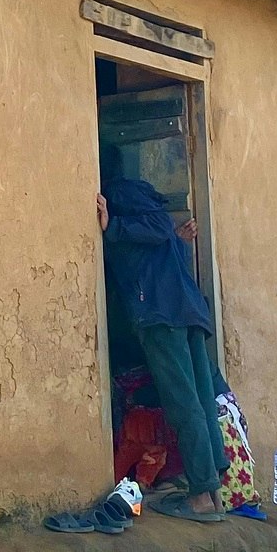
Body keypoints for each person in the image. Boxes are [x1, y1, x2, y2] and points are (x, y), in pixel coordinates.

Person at [97, 175, 229, 523]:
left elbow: (155, 226)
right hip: (187, 314)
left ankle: (201, 494)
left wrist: (113, 226)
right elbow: (163, 246)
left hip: (162, 318)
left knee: (185, 406)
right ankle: (213, 493)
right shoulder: (158, 231)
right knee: (201, 402)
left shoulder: (128, 210)